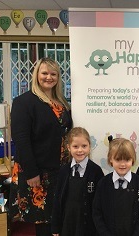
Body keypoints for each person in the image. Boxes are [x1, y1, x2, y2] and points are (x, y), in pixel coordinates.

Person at [9, 58, 72, 236]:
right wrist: (31, 172)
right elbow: (21, 139)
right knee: (43, 222)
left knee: (56, 218)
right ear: (36, 75)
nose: (49, 77)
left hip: (58, 170)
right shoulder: (24, 102)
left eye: (53, 74)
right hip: (37, 172)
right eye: (44, 73)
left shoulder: (62, 102)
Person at [51, 127, 104, 236]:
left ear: (89, 146)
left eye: (84, 146)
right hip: (68, 224)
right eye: (75, 146)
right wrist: (55, 226)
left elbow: (100, 203)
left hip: (89, 227)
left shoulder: (96, 171)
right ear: (68, 148)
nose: (80, 150)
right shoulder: (64, 171)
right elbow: (57, 200)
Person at [92, 137, 139, 236]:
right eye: (118, 159)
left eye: (127, 159)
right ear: (111, 159)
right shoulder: (103, 184)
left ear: (133, 159)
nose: (122, 164)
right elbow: (97, 213)